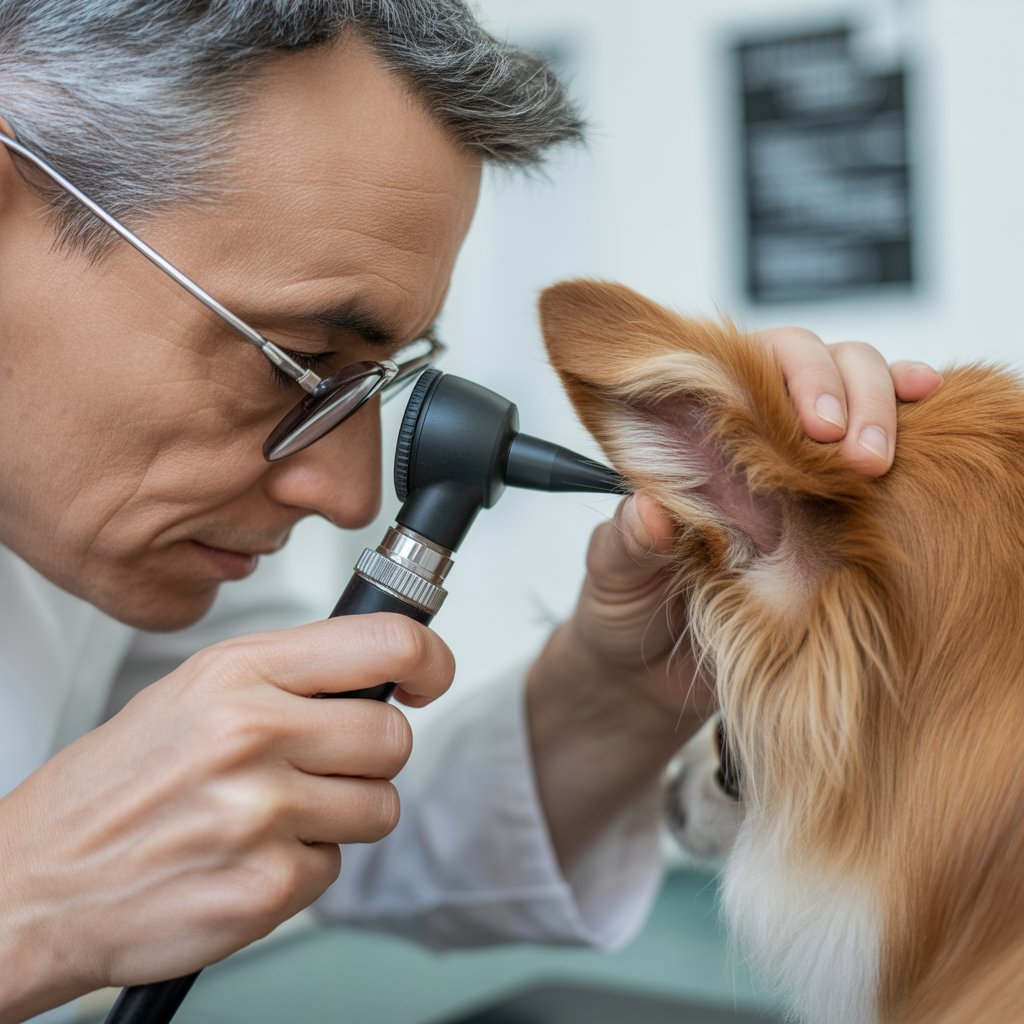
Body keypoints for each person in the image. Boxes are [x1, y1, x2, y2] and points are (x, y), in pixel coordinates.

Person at [0, 3, 942, 1021]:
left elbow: (319, 835)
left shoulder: (122, 539)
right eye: (300, 361)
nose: (349, 494)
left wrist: (621, 686)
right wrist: (27, 907)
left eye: (375, 380)